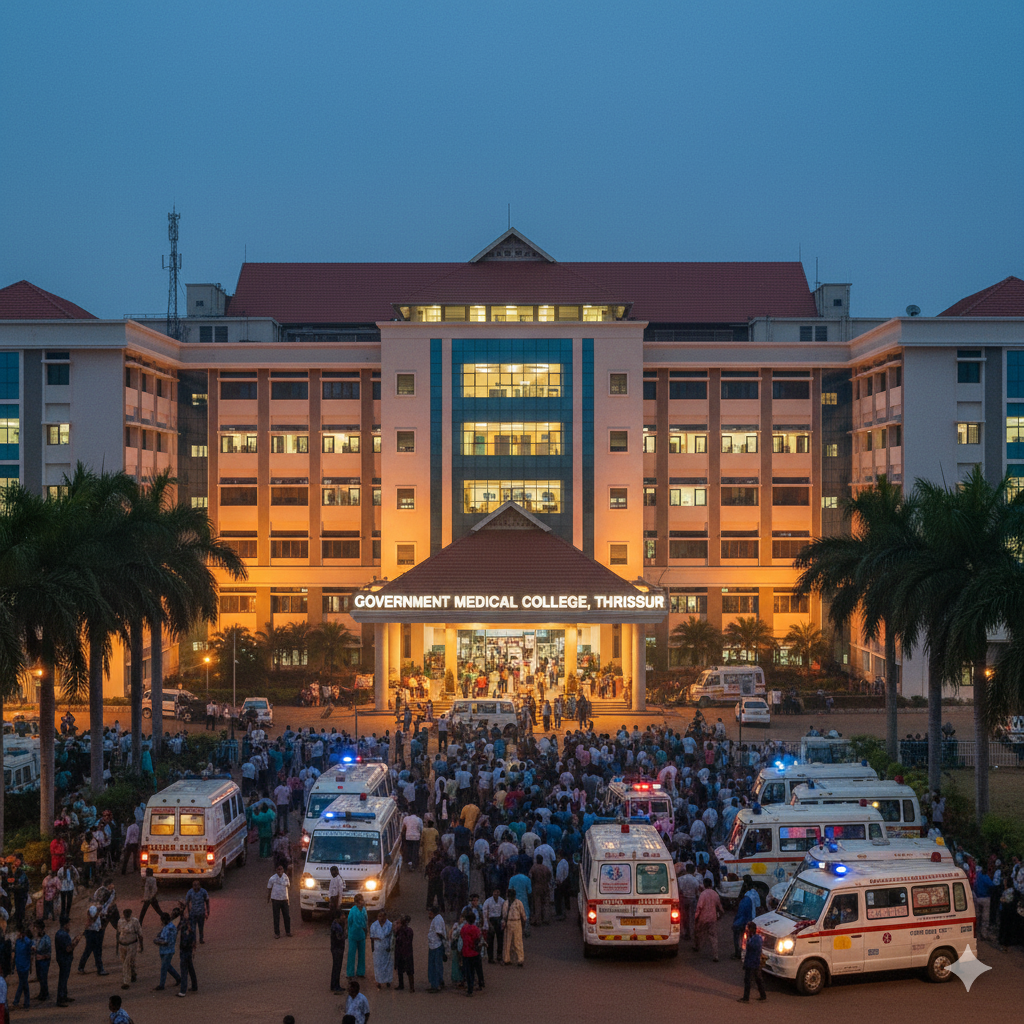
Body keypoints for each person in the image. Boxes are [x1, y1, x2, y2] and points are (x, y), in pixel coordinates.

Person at [693, 877, 723, 961]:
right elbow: (719, 906)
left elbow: (699, 907)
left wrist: (696, 917)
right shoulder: (715, 894)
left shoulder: (703, 894)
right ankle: (715, 955)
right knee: (713, 936)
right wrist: (721, 914)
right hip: (713, 918)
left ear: (704, 885)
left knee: (698, 933)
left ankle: (697, 946)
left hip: (703, 918)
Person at [737, 920, 767, 1002]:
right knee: (758, 979)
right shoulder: (759, 938)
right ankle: (763, 995)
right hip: (756, 962)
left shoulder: (752, 940)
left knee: (747, 980)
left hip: (750, 962)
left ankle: (746, 998)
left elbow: (748, 948)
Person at [115, 907, 143, 990]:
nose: (126, 915)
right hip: (122, 944)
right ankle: (133, 973)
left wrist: (141, 945)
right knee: (127, 961)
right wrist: (117, 946)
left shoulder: (135, 921)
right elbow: (118, 933)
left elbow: (140, 934)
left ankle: (125, 981)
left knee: (126, 963)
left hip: (132, 945)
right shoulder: (120, 921)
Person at [54, 916, 78, 1006]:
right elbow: (68, 949)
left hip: (61, 958)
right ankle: (61, 998)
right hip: (65, 959)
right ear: (65, 925)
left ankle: (63, 996)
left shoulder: (59, 933)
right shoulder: (64, 935)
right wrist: (75, 943)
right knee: (63, 979)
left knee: (63, 978)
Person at [460, 909, 484, 996]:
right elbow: (478, 938)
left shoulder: (463, 928)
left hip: (466, 952)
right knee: (477, 969)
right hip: (475, 952)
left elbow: (462, 937)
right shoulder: (476, 929)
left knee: (468, 972)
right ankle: (480, 983)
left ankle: (470, 989)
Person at [154, 912, 180, 990]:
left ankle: (162, 985)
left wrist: (157, 941)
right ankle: (178, 978)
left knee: (164, 968)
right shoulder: (169, 927)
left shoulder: (169, 928)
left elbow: (166, 941)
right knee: (167, 966)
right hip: (165, 950)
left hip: (167, 951)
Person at [369, 908, 393, 989]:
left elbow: (392, 937)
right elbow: (372, 938)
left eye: (383, 916)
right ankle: (378, 981)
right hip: (377, 949)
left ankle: (388, 981)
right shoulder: (374, 925)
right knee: (378, 965)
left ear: (386, 917)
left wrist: (390, 947)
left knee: (388, 965)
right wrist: (372, 948)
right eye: (379, 916)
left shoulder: (390, 925)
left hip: (387, 948)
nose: (381, 918)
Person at [502, 888, 527, 966]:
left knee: (514, 941)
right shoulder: (512, 903)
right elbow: (523, 915)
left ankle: (518, 959)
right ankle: (510, 959)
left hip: (515, 922)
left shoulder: (515, 903)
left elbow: (504, 915)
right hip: (513, 922)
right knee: (511, 941)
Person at [346, 893, 368, 978]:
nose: (361, 903)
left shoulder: (364, 910)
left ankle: (360, 972)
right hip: (353, 935)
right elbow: (349, 922)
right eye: (359, 902)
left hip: (361, 935)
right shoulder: (353, 911)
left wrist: (366, 932)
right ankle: (350, 973)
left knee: (362, 955)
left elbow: (366, 922)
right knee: (351, 954)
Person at [267, 865, 292, 938]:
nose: (279, 871)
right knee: (276, 917)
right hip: (275, 900)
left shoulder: (286, 877)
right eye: (278, 869)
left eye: (281, 869)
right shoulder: (272, 878)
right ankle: (277, 933)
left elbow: (288, 887)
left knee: (287, 916)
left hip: (284, 899)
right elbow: (269, 889)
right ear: (276, 870)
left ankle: (288, 931)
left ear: (283, 870)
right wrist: (268, 898)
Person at [12, 923, 33, 1009]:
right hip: (22, 965)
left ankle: (18, 1001)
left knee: (23, 984)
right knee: (24, 984)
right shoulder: (21, 942)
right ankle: (25, 1002)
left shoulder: (25, 942)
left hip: (23, 966)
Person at [481, 888, 505, 963]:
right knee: (490, 940)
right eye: (494, 892)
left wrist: (503, 921)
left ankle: (499, 955)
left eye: (497, 892)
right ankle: (490, 957)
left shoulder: (502, 901)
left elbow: (504, 912)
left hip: (499, 920)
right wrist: (487, 924)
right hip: (491, 921)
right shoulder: (488, 901)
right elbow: (485, 913)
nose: (496, 894)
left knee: (500, 940)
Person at [177, 910, 198, 997]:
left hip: (185, 949)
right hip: (189, 949)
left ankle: (183, 991)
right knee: (190, 968)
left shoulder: (185, 927)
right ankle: (194, 986)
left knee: (184, 970)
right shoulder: (192, 926)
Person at [426, 910, 447, 993]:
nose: (429, 915)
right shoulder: (438, 918)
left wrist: (442, 942)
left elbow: (439, 932)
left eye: (430, 913)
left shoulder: (437, 920)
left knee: (434, 966)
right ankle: (440, 982)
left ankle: (435, 985)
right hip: (435, 945)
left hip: (436, 945)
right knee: (438, 965)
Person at [186, 879, 210, 944]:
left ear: (200, 885)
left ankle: (200, 939)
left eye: (197, 885)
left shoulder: (203, 891)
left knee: (200, 927)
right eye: (194, 886)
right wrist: (188, 912)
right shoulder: (190, 892)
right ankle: (195, 940)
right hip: (194, 913)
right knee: (193, 928)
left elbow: (207, 901)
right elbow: (187, 903)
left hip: (200, 913)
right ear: (192, 886)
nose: (196, 887)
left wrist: (208, 911)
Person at [393, 916, 414, 992]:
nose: (396, 924)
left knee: (409, 971)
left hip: (406, 953)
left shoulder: (408, 931)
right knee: (400, 970)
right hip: (400, 953)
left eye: (398, 923)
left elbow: (407, 941)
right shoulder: (399, 931)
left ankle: (411, 987)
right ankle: (401, 985)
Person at [330, 908, 347, 992]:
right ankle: (336, 985)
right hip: (337, 949)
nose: (344, 917)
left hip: (336, 948)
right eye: (342, 915)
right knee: (337, 967)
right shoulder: (337, 927)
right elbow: (340, 938)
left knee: (336, 967)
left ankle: (334, 985)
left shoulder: (335, 925)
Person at [34, 919, 52, 1002]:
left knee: (43, 977)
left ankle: (45, 993)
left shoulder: (46, 938)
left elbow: (49, 953)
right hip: (39, 960)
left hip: (43, 961)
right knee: (40, 977)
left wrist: (42, 957)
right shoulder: (38, 938)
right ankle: (43, 993)